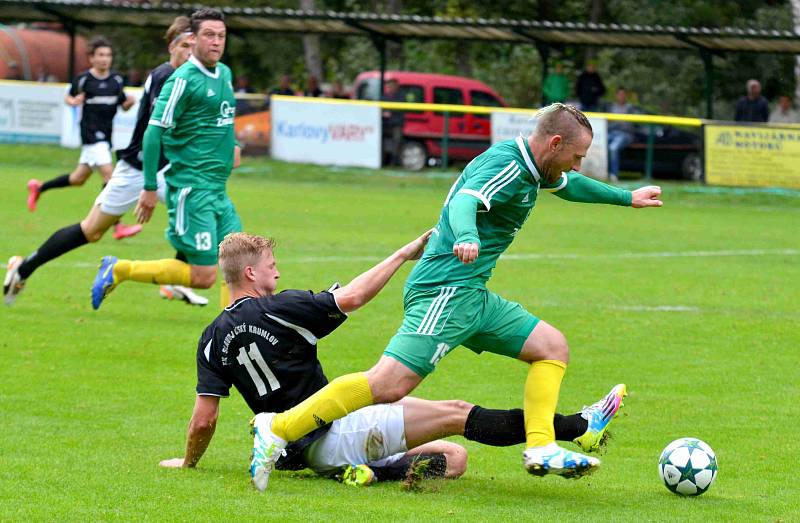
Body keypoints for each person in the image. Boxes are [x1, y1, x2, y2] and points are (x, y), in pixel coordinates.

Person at [246, 103, 662, 492]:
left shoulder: (536, 168)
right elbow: (466, 201)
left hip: (471, 294)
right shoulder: (506, 165)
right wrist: (466, 235)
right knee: (388, 384)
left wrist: (627, 198)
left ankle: (540, 448)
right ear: (555, 144)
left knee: (551, 347)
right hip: (445, 290)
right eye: (577, 155)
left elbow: (571, 186)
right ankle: (279, 429)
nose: (578, 163)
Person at [158, 231, 626, 488]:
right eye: (271, 264)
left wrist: (188, 463)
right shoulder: (279, 307)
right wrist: (402, 255)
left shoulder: (210, 337)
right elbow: (355, 296)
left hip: (300, 450)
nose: (278, 271)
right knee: (457, 416)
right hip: (334, 431)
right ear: (251, 272)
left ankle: (356, 471)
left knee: (454, 459)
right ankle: (579, 428)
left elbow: (204, 419)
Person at [3, 18, 207, 307]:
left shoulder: (192, 77)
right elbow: (163, 129)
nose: (190, 51)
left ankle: (173, 281)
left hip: (168, 168)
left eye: (193, 45)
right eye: (185, 45)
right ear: (172, 47)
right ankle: (22, 267)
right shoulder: (165, 77)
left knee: (199, 209)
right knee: (91, 230)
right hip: (140, 167)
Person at [90, 8, 241, 311]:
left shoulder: (224, 73)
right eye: (209, 35)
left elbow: (220, 117)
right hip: (191, 189)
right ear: (193, 38)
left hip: (217, 188)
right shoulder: (182, 80)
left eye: (221, 36)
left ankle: (234, 335)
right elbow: (153, 133)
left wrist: (233, 144)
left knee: (237, 262)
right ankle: (120, 270)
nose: (216, 42)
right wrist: (148, 187)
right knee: (204, 276)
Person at [27, 37, 136, 213]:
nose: (105, 59)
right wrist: (73, 101)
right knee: (110, 174)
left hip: (106, 135)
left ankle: (39, 188)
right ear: (92, 58)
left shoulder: (117, 79)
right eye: (100, 55)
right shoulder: (84, 79)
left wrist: (129, 102)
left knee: (78, 178)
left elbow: (123, 105)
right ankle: (115, 224)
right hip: (91, 134)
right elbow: (68, 97)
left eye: (108, 55)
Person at [606, 87, 638, 183]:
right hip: (612, 133)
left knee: (613, 148)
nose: (621, 96)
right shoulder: (612, 107)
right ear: (616, 96)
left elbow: (634, 123)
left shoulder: (630, 108)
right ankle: (601, 173)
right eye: (619, 94)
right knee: (599, 145)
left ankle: (613, 174)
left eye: (623, 94)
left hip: (625, 134)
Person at [381, 79, 405, 167]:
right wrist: (383, 113)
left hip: (396, 124)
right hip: (385, 124)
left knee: (397, 140)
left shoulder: (401, 97)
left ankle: (394, 162)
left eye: (391, 86)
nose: (389, 88)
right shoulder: (383, 97)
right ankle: (383, 161)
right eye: (388, 86)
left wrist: (390, 113)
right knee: (379, 140)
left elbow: (400, 111)